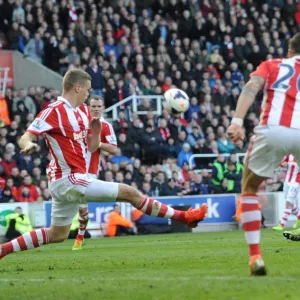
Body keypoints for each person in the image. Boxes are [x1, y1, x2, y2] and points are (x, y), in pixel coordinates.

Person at [0, 68, 207, 260]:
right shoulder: (54, 110)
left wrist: (97, 131)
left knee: (58, 234)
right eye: (87, 90)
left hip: (67, 180)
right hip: (69, 178)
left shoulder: (82, 112)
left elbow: (91, 147)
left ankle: (3, 250)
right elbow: (26, 136)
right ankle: (184, 217)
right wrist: (28, 145)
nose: (88, 95)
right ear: (77, 87)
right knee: (131, 193)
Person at [227, 32, 300, 276]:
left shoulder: (272, 65)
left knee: (249, 187)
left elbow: (251, 86)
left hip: (274, 130)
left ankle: (256, 256)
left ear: (289, 50)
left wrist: (237, 121)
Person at [72, 95, 118, 250]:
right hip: (71, 169)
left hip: (89, 171)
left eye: (99, 106)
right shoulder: (79, 122)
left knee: (82, 206)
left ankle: (80, 236)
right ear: (88, 107)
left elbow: (113, 148)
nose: (96, 109)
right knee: (78, 205)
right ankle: (78, 234)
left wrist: (98, 143)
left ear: (103, 108)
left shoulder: (106, 126)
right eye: (94, 106)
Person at [273, 155, 300, 231]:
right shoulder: (290, 154)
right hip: (287, 182)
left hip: (295, 183)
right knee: (289, 202)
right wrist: (285, 164)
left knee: (289, 202)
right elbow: (282, 163)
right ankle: (299, 218)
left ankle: (282, 224)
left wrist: (294, 164)